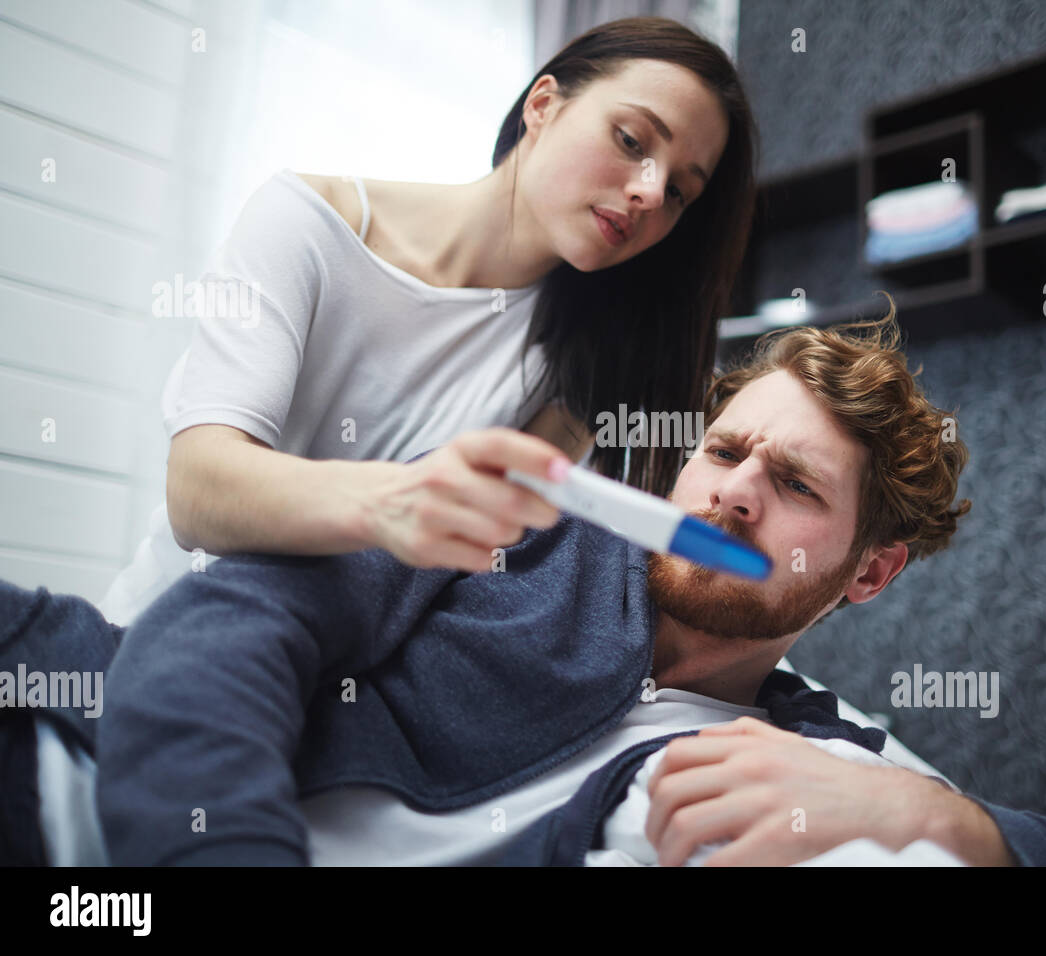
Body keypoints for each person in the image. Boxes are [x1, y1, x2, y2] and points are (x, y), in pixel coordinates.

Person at [0, 314, 1046, 867]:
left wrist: (952, 819)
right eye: (725, 451)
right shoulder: (526, 522)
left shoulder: (823, 756)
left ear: (870, 570)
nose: (734, 492)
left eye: (790, 484)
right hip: (54, 745)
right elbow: (227, 627)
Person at [97, 16, 758, 626]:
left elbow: (451, 581)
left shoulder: (581, 363)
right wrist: (397, 502)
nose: (648, 191)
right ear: (543, 105)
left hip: (321, 688)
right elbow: (199, 493)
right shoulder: (306, 224)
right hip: (156, 638)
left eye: (679, 192)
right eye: (631, 139)